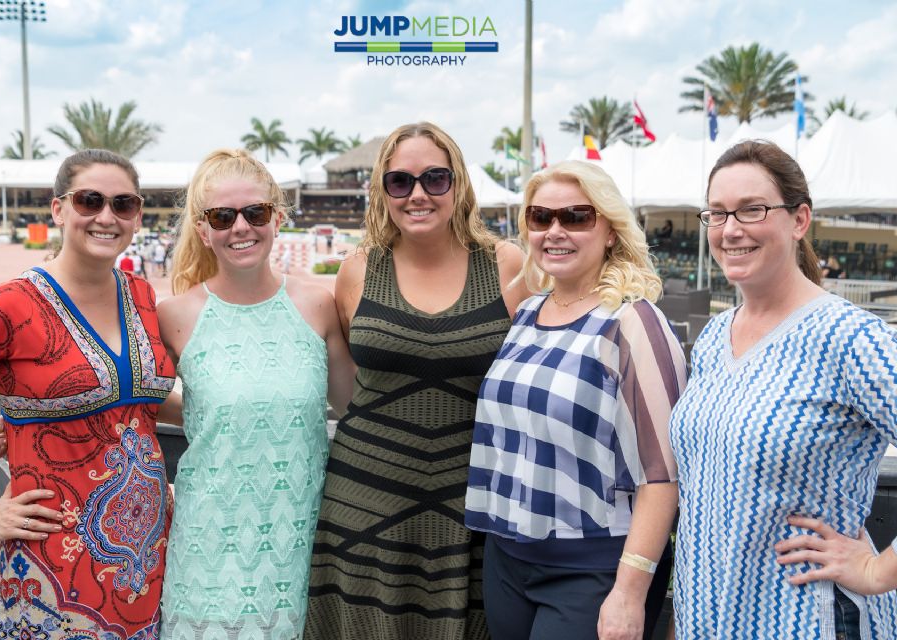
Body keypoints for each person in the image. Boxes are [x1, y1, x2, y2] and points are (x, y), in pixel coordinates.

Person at [305, 122, 528, 639]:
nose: (418, 194)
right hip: (363, 503)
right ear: (382, 191)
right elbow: (353, 383)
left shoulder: (506, 265)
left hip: (470, 505)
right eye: (400, 181)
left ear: (459, 183)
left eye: (435, 178)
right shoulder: (359, 268)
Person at [0, 149, 178, 637]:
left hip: (147, 558)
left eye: (123, 204)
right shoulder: (7, 308)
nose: (107, 216)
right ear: (59, 209)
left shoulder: (141, 296)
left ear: (137, 215)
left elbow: (134, 400)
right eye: (90, 200)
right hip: (54, 570)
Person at [670, 141, 897, 638]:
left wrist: (877, 570)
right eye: (717, 213)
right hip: (708, 618)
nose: (731, 229)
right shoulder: (715, 336)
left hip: (805, 619)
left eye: (752, 209)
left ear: (799, 220)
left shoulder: (850, 338)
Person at [465, 160, 686, 640]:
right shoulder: (526, 313)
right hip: (507, 560)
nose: (555, 231)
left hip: (594, 568)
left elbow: (663, 475)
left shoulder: (633, 322)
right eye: (540, 217)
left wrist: (629, 592)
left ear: (610, 231)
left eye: (576, 216)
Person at [156, 149, 354, 639]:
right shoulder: (174, 316)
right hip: (207, 554)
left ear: (277, 218)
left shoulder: (317, 305)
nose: (240, 227)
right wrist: (10, 422)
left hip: (301, 546)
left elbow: (357, 407)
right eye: (223, 216)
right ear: (203, 229)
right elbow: (126, 398)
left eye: (255, 212)